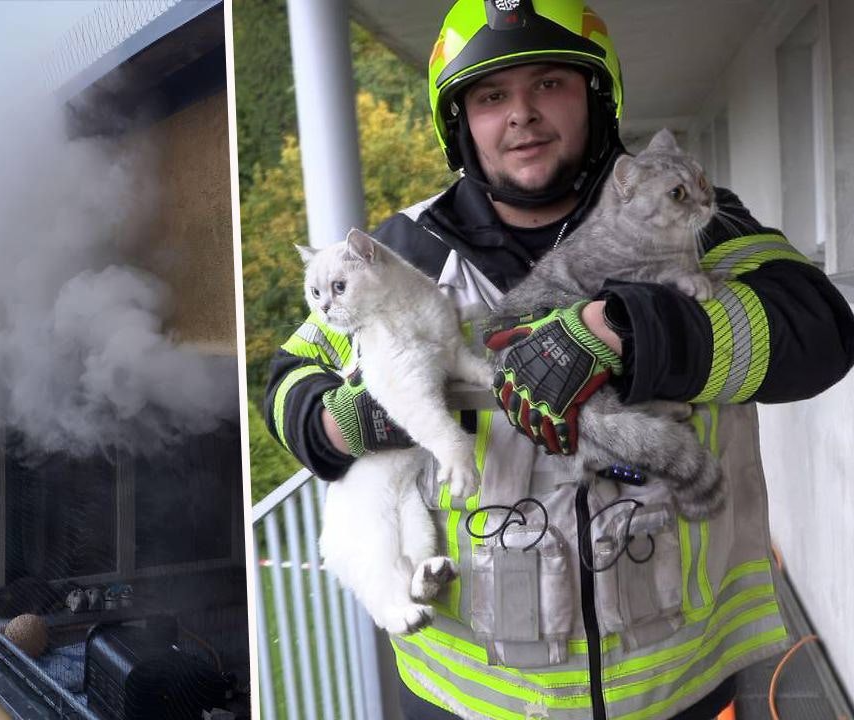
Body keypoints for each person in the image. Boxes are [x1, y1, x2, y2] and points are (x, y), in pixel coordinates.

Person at [262, 1, 854, 718]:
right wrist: (347, 424)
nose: (521, 114)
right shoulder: (402, 251)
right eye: (490, 96)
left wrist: (628, 332)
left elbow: (819, 330)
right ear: (460, 122)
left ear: (596, 97)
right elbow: (290, 380)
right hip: (473, 698)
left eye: (548, 83)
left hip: (677, 686)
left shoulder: (687, 213)